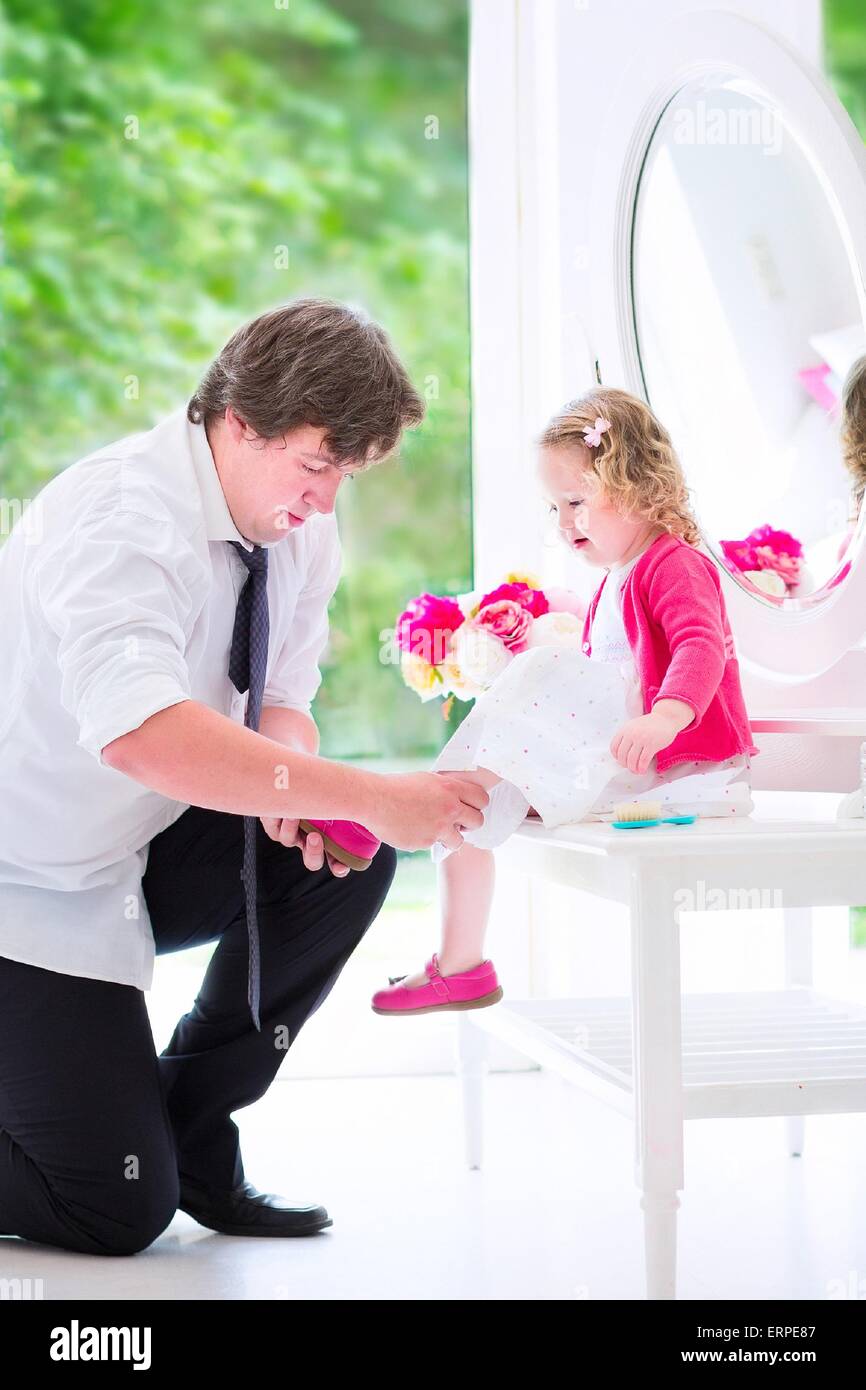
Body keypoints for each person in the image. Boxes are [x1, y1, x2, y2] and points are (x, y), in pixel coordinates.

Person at [0, 297, 490, 1255]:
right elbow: (141, 734)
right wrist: (369, 792)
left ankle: (187, 1116)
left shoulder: (291, 526)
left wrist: (313, 800)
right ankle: (136, 1149)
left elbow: (279, 702)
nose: (326, 500)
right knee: (112, 1206)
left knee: (344, 857)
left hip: (124, 848)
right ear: (237, 420)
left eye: (346, 474)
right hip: (22, 878)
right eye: (316, 465)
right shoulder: (120, 518)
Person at [372, 387, 758, 1015]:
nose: (562, 523)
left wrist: (667, 716)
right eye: (553, 506)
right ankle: (459, 960)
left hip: (668, 760)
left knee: (540, 676)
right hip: (619, 754)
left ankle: (435, 793)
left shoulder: (673, 564)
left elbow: (700, 645)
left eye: (575, 502)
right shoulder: (614, 579)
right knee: (469, 813)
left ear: (635, 483)